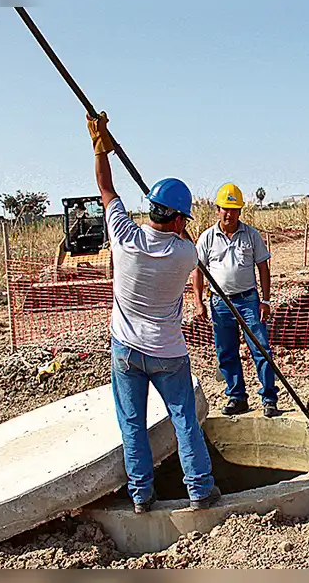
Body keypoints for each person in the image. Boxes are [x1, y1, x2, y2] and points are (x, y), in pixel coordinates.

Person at [87, 112, 220, 513]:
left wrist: (100, 145)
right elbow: (188, 241)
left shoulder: (123, 237)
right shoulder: (184, 254)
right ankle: (199, 489)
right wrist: (181, 226)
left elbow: (106, 188)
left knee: (132, 425)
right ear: (179, 218)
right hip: (167, 352)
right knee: (184, 422)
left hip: (125, 349)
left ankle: (142, 495)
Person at [193, 183, 280, 418]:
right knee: (226, 352)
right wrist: (199, 301)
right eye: (225, 209)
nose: (229, 214)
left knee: (261, 349)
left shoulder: (251, 235)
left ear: (240, 211)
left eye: (234, 209)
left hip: (248, 301)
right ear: (217, 209)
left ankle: (269, 398)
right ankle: (237, 397)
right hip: (220, 304)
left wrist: (266, 300)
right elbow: (198, 271)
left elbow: (263, 267)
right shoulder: (207, 238)